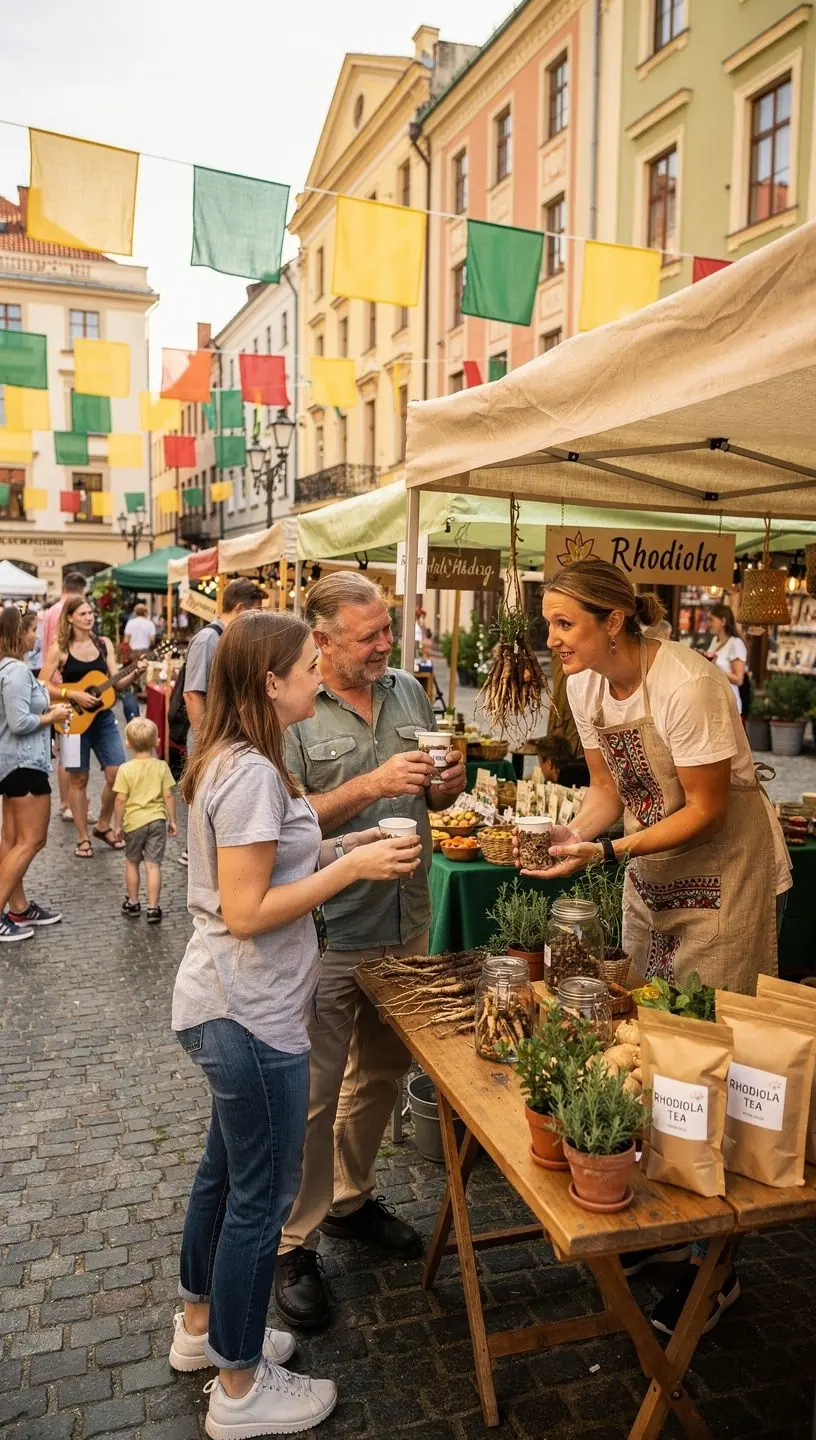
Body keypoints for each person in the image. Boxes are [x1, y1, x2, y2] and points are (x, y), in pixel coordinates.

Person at [521, 559, 791, 1336]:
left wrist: (609, 852)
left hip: (724, 877)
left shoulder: (689, 684)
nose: (552, 638)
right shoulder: (585, 687)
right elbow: (609, 792)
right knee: (651, 1041)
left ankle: (716, 1269)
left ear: (614, 621)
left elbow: (706, 808)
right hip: (654, 871)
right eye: (548, 622)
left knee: (710, 1054)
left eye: (565, 623)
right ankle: (670, 1232)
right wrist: (570, 835)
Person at [170, 609, 422, 1437]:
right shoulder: (248, 772)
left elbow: (270, 862)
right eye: (310, 666)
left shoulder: (238, 758)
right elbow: (247, 910)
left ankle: (202, 1330)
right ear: (270, 682)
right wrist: (352, 866)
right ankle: (240, 1388)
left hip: (229, 1005)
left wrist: (342, 846)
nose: (321, 676)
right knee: (259, 1200)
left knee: (222, 1176)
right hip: (250, 1012)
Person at [274, 573, 466, 1329]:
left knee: (382, 1074)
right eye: (370, 635)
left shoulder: (408, 691)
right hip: (328, 928)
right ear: (322, 641)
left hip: (406, 919)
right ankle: (294, 1242)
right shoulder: (293, 706)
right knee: (314, 1093)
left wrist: (448, 783)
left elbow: (434, 799)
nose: (387, 644)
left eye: (388, 629)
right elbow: (288, 822)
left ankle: (350, 1199)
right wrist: (371, 783)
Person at [40, 596, 140, 858]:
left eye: (90, 613)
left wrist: (135, 674)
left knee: (117, 773)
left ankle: (104, 825)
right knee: (78, 779)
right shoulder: (60, 648)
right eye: (82, 613)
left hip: (104, 719)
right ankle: (83, 837)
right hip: (72, 720)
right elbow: (42, 684)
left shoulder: (103, 644)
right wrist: (72, 694)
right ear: (70, 617)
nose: (88, 617)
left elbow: (116, 682)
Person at [177, 578, 264, 868]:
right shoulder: (208, 639)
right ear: (239, 608)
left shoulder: (227, 638)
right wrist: (207, 740)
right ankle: (198, 857)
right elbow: (192, 694)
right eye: (254, 612)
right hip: (210, 736)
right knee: (204, 799)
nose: (256, 619)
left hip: (222, 736)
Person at [0, 606, 72, 941]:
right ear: (19, 633)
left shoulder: (10, 668)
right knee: (32, 840)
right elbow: (19, 722)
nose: (36, 637)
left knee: (13, 841)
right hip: (24, 763)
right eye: (32, 631)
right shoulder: (15, 670)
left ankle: (19, 906)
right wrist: (52, 716)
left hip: (15, 764)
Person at [112, 717, 177, 924]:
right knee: (153, 865)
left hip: (134, 823)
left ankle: (133, 903)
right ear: (157, 742)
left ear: (128, 743)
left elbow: (120, 799)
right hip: (157, 821)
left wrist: (117, 825)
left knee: (132, 862)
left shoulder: (125, 769)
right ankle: (153, 908)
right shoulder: (161, 767)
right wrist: (172, 820)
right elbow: (168, 796)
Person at [39, 572, 87, 822]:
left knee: (63, 746)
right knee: (70, 747)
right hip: (66, 685)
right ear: (81, 590)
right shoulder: (69, 611)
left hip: (52, 685)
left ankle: (66, 802)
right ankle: (69, 803)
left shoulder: (49, 611)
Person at [706, 604, 747, 713]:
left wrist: (715, 670)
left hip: (728, 703)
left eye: (711, 620)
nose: (708, 624)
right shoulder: (715, 641)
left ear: (723, 621)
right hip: (712, 701)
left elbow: (738, 679)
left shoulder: (735, 643)